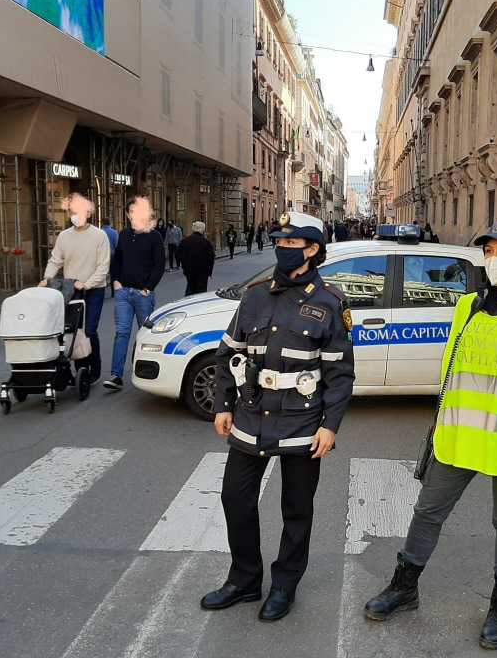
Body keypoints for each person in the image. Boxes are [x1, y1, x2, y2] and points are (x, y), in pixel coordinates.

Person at [364, 221, 497, 650]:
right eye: (490, 250)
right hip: (459, 435)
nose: (496, 258)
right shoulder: (467, 306)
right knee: (427, 512)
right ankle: (404, 587)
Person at [201, 211, 355, 622]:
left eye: (291, 244)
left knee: (296, 509)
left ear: (312, 250)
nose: (283, 249)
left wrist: (330, 425)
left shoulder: (330, 302)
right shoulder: (254, 296)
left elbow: (340, 374)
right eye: (280, 243)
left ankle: (284, 585)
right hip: (252, 414)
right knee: (235, 498)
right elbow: (227, 353)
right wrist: (222, 404)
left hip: (302, 421)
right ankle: (244, 579)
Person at [39, 193, 111, 382]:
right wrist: (47, 279)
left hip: (94, 289)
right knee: (73, 331)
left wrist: (87, 284)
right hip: (71, 289)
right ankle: (81, 369)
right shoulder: (64, 236)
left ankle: (94, 366)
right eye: (72, 211)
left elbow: (103, 267)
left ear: (88, 213)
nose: (75, 215)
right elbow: (55, 260)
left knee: (89, 331)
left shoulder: (100, 236)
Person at [104, 197, 166, 391]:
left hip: (143, 295)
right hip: (123, 293)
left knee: (145, 335)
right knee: (121, 333)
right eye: (130, 212)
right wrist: (115, 281)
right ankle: (116, 375)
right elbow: (117, 260)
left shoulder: (154, 236)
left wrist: (148, 287)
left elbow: (159, 265)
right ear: (127, 214)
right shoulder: (123, 235)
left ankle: (148, 374)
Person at [178, 221, 216, 296]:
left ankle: (188, 301)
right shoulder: (206, 242)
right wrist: (209, 272)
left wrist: (184, 267)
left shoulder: (184, 241)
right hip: (202, 272)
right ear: (202, 230)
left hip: (189, 270)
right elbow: (211, 258)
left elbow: (179, 255)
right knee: (201, 292)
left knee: (190, 288)